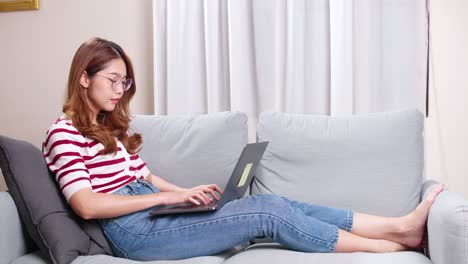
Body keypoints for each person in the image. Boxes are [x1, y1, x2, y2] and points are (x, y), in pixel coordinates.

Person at [42, 37, 444, 261]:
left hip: (151, 211)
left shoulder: (108, 127)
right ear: (83, 78)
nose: (120, 90)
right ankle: (385, 248)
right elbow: (88, 206)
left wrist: (182, 194)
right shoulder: (63, 133)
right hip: (132, 233)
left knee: (281, 201)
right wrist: (168, 197)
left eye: (124, 82)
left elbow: (142, 176)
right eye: (113, 80)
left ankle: (398, 226)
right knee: (266, 212)